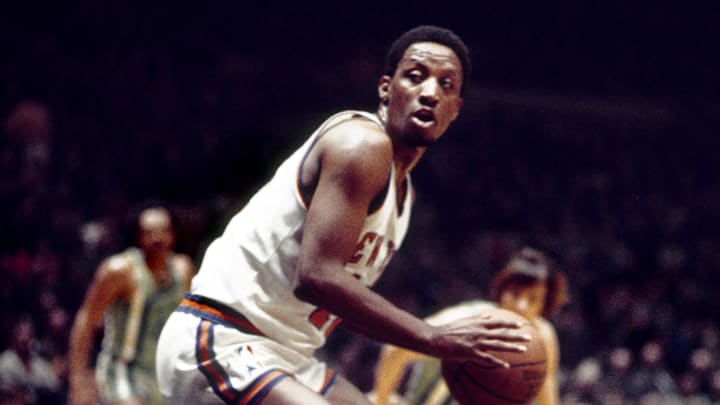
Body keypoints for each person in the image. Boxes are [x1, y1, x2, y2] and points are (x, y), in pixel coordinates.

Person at [156, 25, 532, 405]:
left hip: (287, 356)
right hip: (223, 337)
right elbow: (316, 278)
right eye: (415, 77)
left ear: (455, 110)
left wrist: (431, 335)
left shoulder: (404, 196)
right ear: (386, 88)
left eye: (446, 86)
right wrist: (432, 338)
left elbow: (338, 305)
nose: (430, 92)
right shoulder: (361, 145)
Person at [371, 247, 569, 405]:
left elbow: (546, 395)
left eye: (533, 299)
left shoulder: (543, 337)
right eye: (515, 294)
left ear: (545, 304)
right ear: (501, 291)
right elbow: (395, 349)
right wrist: (381, 400)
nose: (521, 306)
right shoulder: (467, 320)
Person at [68, 206, 195, 405]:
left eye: (163, 231)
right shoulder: (119, 270)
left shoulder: (183, 269)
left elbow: (190, 326)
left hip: (164, 374)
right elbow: (86, 321)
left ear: (173, 234)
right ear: (138, 237)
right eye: (149, 232)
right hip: (123, 370)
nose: (157, 238)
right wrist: (78, 381)